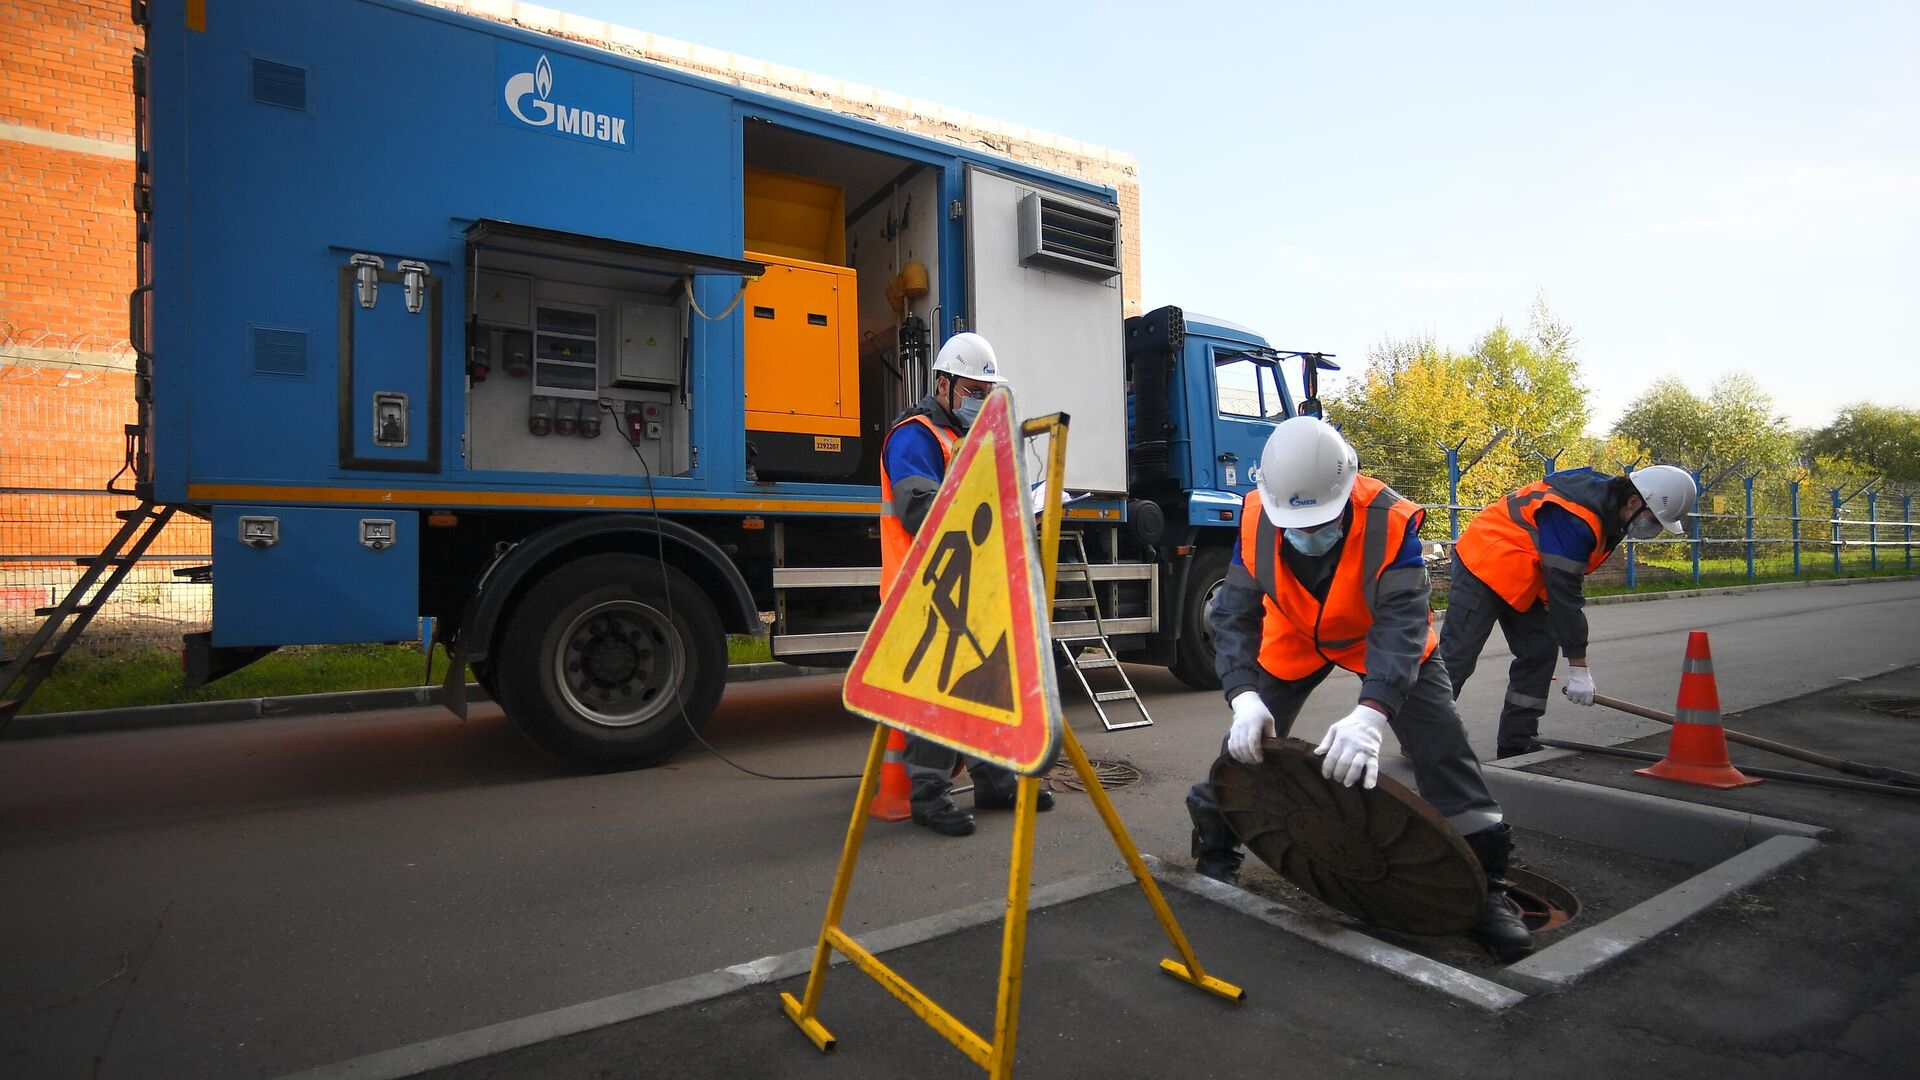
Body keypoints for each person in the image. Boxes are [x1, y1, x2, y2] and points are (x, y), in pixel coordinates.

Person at [1185, 416, 1533, 961]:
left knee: (1442, 746)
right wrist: (1243, 696)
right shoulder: (1255, 515)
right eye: (1294, 525)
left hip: (1378, 639)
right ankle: (1216, 850)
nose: (1306, 534)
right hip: (1296, 633)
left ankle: (1488, 890)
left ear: (1349, 489)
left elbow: (1402, 624)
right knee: (1245, 746)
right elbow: (1234, 615)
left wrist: (1372, 712)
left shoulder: (1393, 523)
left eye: (1320, 521)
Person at [878, 332, 1054, 837]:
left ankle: (994, 782)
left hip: (963, 586)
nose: (979, 399)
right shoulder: (915, 435)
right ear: (944, 382)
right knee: (937, 697)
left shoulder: (960, 439)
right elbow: (919, 509)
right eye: (972, 389)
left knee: (983, 686)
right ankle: (929, 796)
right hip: (923, 589)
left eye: (985, 390)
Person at [1440, 465, 1698, 759]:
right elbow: (1565, 594)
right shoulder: (1578, 517)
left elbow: (1560, 580)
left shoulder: (1610, 508)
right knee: (1458, 654)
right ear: (1634, 502)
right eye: (1654, 520)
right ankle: (1425, 737)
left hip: (1525, 570)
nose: (1654, 528)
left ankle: (1516, 741)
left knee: (1539, 650)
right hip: (1484, 562)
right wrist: (1578, 666)